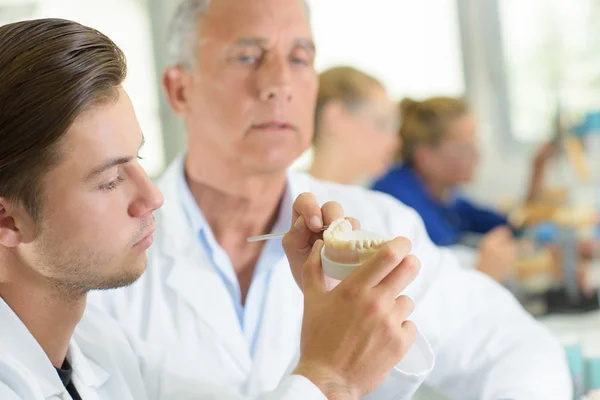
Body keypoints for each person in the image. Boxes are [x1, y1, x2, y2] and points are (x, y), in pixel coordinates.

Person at [91, 0, 572, 398]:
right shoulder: (101, 253)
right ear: (180, 89)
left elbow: (515, 348)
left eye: (299, 58)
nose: (278, 83)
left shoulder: (380, 222)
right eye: (246, 57)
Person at [0, 18, 433, 400]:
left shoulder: (98, 346)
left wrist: (345, 342)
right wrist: (325, 377)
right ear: (7, 219)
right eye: (110, 179)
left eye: (139, 160)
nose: (153, 197)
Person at [372, 97, 553, 282]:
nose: (477, 157)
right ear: (426, 155)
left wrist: (538, 168)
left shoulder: (447, 197)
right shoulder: (397, 202)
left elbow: (511, 226)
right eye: (466, 147)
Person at [308, 66, 401, 185]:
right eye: (381, 124)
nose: (395, 143)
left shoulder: (382, 202)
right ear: (336, 117)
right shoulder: (288, 198)